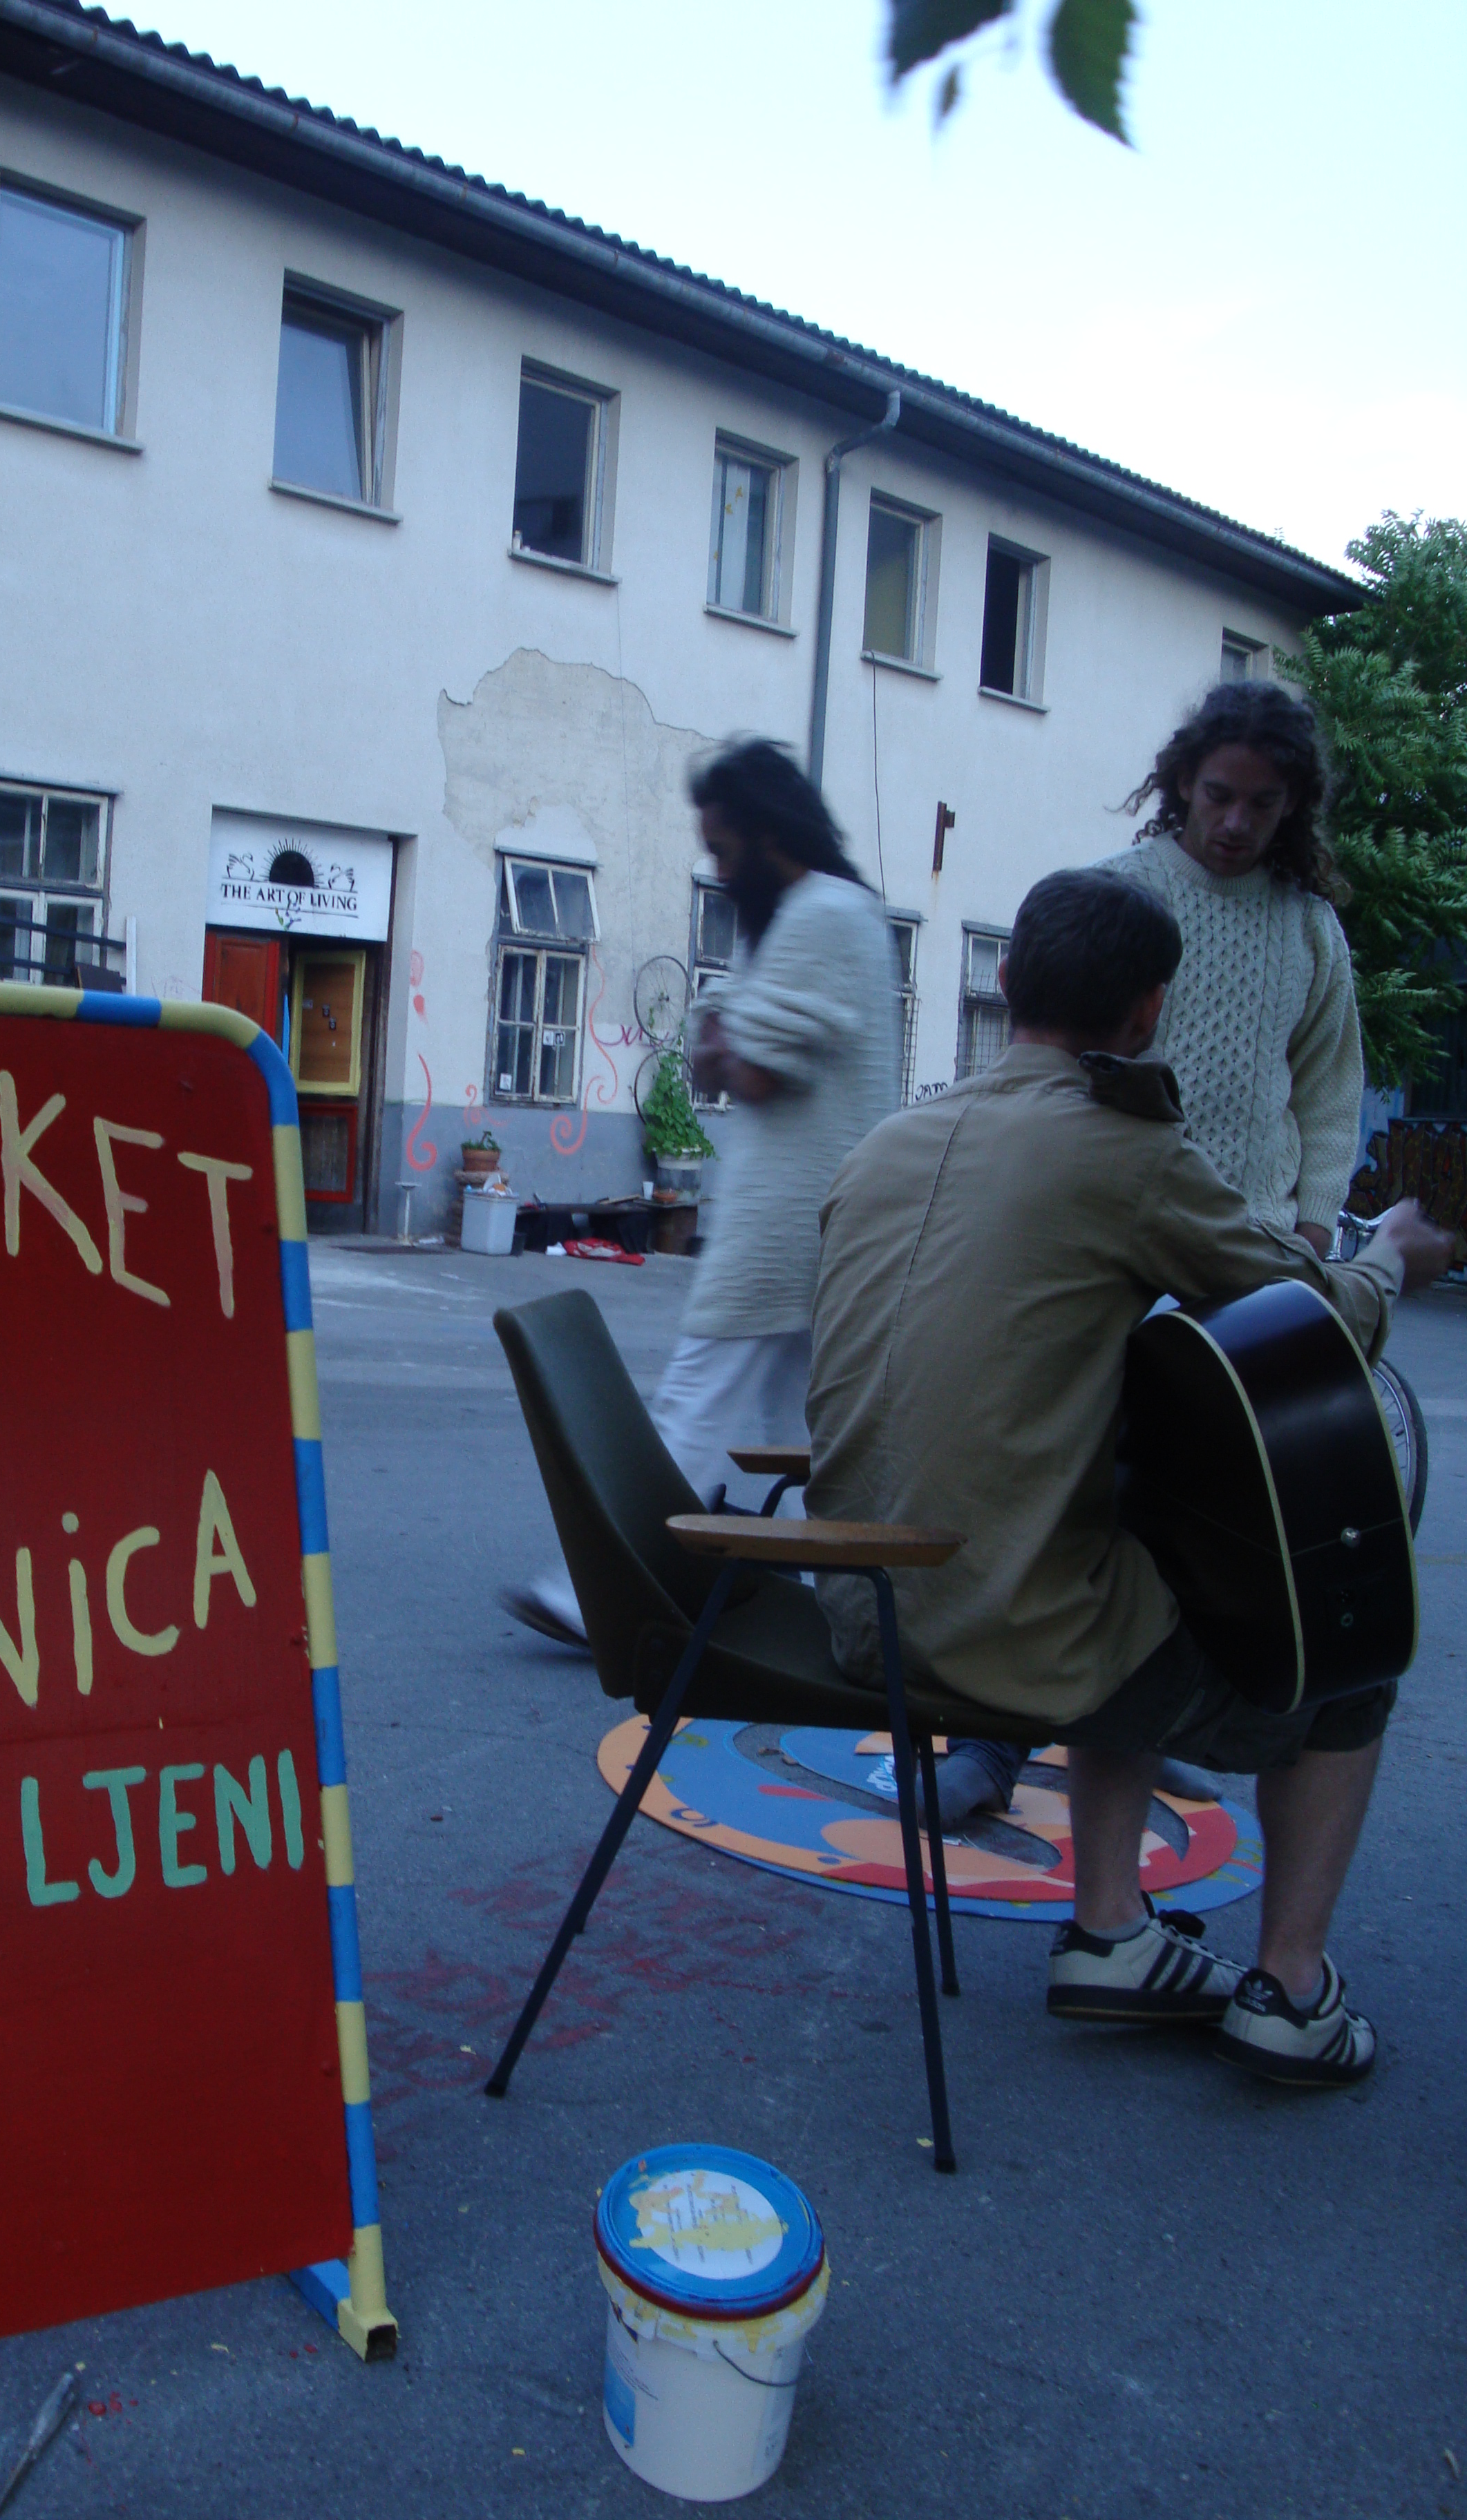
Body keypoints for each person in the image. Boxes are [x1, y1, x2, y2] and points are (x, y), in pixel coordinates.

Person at [805, 868, 1450, 2085]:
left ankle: (1114, 1934)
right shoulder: (1125, 1156)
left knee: (1134, 1549)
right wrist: (1391, 1261)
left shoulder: (885, 1143)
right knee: (1351, 1662)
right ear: (1151, 1011)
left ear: (1008, 980)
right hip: (993, 1628)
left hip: (856, 1605)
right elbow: (1308, 1312)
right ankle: (1293, 1994)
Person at [929, 679, 1370, 1827]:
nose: (1235, 822)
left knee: (1201, 1508)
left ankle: (1147, 1716)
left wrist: (1313, 1225)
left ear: (1292, 806)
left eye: (1262, 804)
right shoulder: (1124, 894)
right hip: (1114, 1239)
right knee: (1075, 1483)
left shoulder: (1310, 931)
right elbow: (1066, 1060)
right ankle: (993, 1739)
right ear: (1181, 783)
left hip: (1247, 1257)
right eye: (1218, 795)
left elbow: (1330, 1091)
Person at [502, 739, 900, 1645]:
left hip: (785, 1220)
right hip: (837, 1218)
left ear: (766, 833)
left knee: (697, 1401)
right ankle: (820, 1599)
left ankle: (603, 1594)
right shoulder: (839, 913)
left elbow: (743, 1068)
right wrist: (723, 1032)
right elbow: (724, 1047)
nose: (718, 871)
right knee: (808, 1426)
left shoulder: (816, 915)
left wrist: (723, 1030)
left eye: (722, 849)